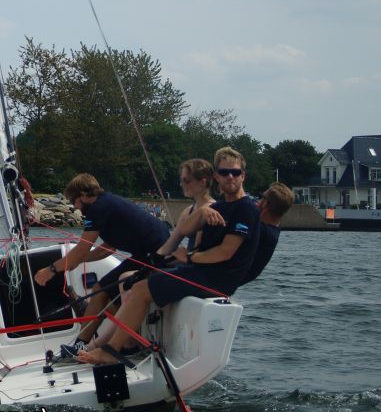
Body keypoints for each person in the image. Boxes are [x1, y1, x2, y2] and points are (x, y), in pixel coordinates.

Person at [78, 146, 260, 365]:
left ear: (243, 176)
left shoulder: (246, 209)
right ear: (216, 176)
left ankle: (111, 350)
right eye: (224, 172)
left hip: (217, 279)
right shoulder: (218, 207)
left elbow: (225, 252)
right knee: (135, 280)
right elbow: (185, 230)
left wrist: (190, 258)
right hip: (201, 271)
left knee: (142, 289)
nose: (230, 177)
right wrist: (202, 212)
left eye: (236, 172)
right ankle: (110, 345)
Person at [33, 173, 169, 352]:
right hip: (148, 254)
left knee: (102, 293)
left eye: (74, 201)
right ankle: (83, 343)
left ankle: (115, 343)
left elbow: (82, 248)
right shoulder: (106, 203)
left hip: (157, 256)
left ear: (82, 195)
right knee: (100, 290)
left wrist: (51, 269)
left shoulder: (98, 208)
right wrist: (76, 260)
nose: (75, 207)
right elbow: (107, 249)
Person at [156, 158, 216, 257]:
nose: (181, 184)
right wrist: (152, 260)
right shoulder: (188, 211)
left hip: (196, 266)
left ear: (202, 182)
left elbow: (197, 251)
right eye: (181, 180)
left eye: (186, 180)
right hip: (186, 262)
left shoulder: (212, 210)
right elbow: (169, 246)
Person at [241, 182, 293, 285]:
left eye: (261, 198)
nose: (258, 201)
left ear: (265, 204)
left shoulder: (260, 231)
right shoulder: (271, 231)